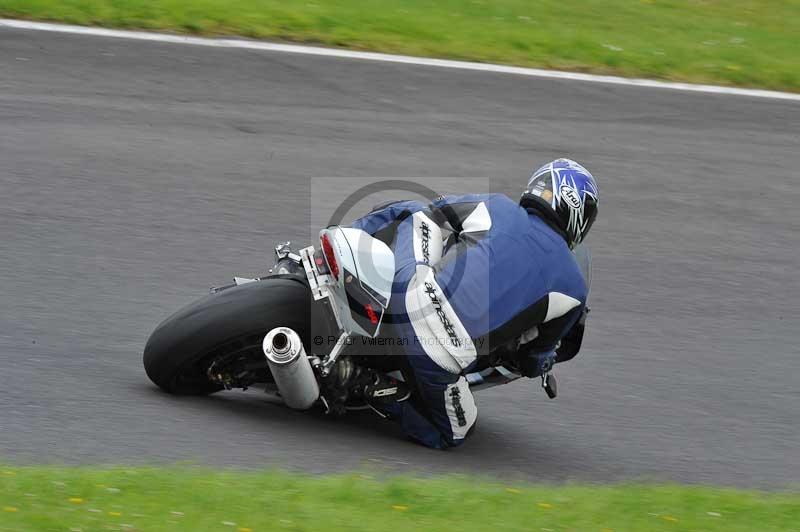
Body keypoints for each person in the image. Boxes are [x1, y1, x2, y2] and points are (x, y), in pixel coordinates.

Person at [350, 159, 599, 449]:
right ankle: (371, 387)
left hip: (409, 293)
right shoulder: (573, 287)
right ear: (579, 214)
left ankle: (349, 241)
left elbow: (438, 210)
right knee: (454, 432)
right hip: (439, 354)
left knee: (415, 212)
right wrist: (540, 363)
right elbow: (534, 358)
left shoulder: (499, 207)